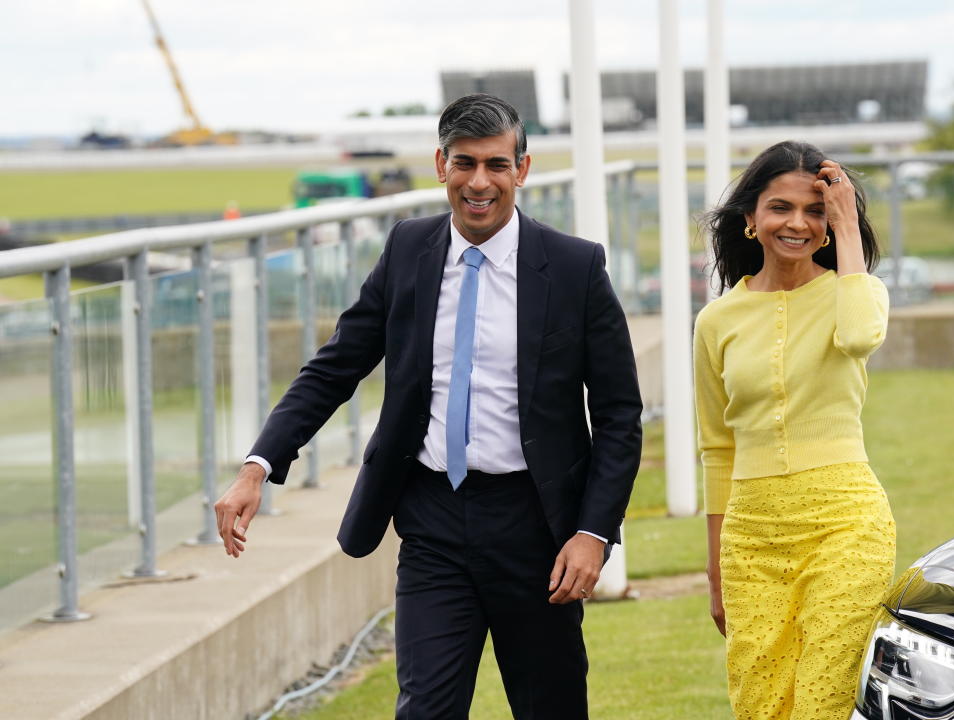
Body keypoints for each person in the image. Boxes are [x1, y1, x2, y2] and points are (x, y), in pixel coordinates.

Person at [214, 93, 642, 720]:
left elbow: (618, 415)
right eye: (464, 163)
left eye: (497, 165)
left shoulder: (576, 267)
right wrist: (257, 465)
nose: (479, 182)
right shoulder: (408, 250)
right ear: (440, 164)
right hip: (432, 522)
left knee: (550, 707)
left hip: (538, 529)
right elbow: (335, 367)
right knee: (425, 711)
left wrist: (593, 532)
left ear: (522, 170)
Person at [693, 140, 896, 719]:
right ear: (752, 218)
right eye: (780, 207)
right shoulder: (716, 322)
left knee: (823, 698)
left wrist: (849, 227)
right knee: (763, 704)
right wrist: (716, 572)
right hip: (751, 537)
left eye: (815, 211)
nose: (797, 223)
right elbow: (716, 447)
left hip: (845, 523)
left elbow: (858, 337)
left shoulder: (856, 294)